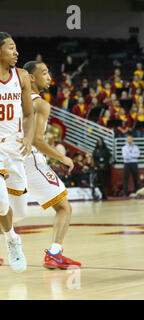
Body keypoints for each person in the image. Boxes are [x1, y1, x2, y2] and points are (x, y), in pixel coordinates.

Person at [19, 60, 81, 269]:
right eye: (44, 73)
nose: (49, 77)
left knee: (7, 211)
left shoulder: (11, 99)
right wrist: (63, 157)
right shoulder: (40, 103)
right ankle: (55, 253)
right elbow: (37, 140)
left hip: (9, 158)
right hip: (30, 160)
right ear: (32, 78)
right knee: (64, 207)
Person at [0, 32, 35, 271]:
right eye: (11, 48)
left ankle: (9, 229)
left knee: (19, 209)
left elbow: (30, 114)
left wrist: (30, 138)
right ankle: (12, 240)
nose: (16, 52)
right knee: (1, 203)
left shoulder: (22, 76)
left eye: (16, 48)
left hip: (16, 147)